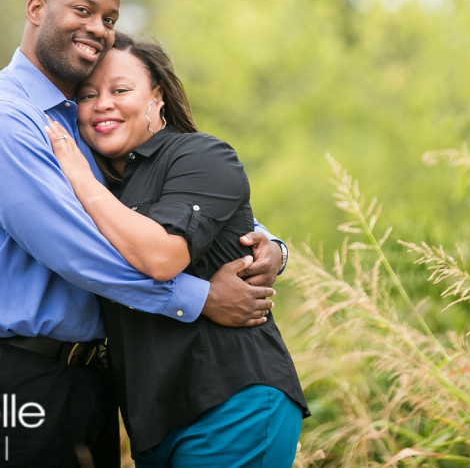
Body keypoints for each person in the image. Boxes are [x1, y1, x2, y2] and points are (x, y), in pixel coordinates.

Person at [0, 0, 286, 468]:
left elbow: (153, 209)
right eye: (83, 10)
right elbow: (80, 252)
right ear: (36, 9)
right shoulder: (2, 121)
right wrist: (201, 297)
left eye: (109, 19)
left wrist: (268, 245)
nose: (97, 28)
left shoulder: (80, 125)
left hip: (86, 378)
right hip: (6, 373)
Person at [44, 32, 308, 467]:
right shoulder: (108, 183)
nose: (103, 103)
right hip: (153, 421)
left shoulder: (201, 155)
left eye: (120, 90)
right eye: (88, 95)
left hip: (230, 402)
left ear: (158, 96)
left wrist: (82, 180)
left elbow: (162, 257)